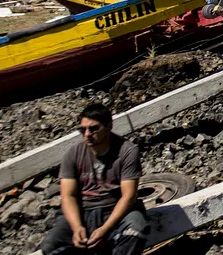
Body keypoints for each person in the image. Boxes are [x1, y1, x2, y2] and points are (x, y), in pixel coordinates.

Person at [42, 103, 146, 255]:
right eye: (82, 129)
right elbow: (68, 196)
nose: (87, 134)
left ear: (109, 126)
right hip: (84, 211)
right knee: (51, 245)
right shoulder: (73, 153)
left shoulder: (127, 151)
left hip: (115, 209)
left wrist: (105, 228)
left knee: (135, 231)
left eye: (93, 128)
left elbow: (128, 197)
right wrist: (77, 227)